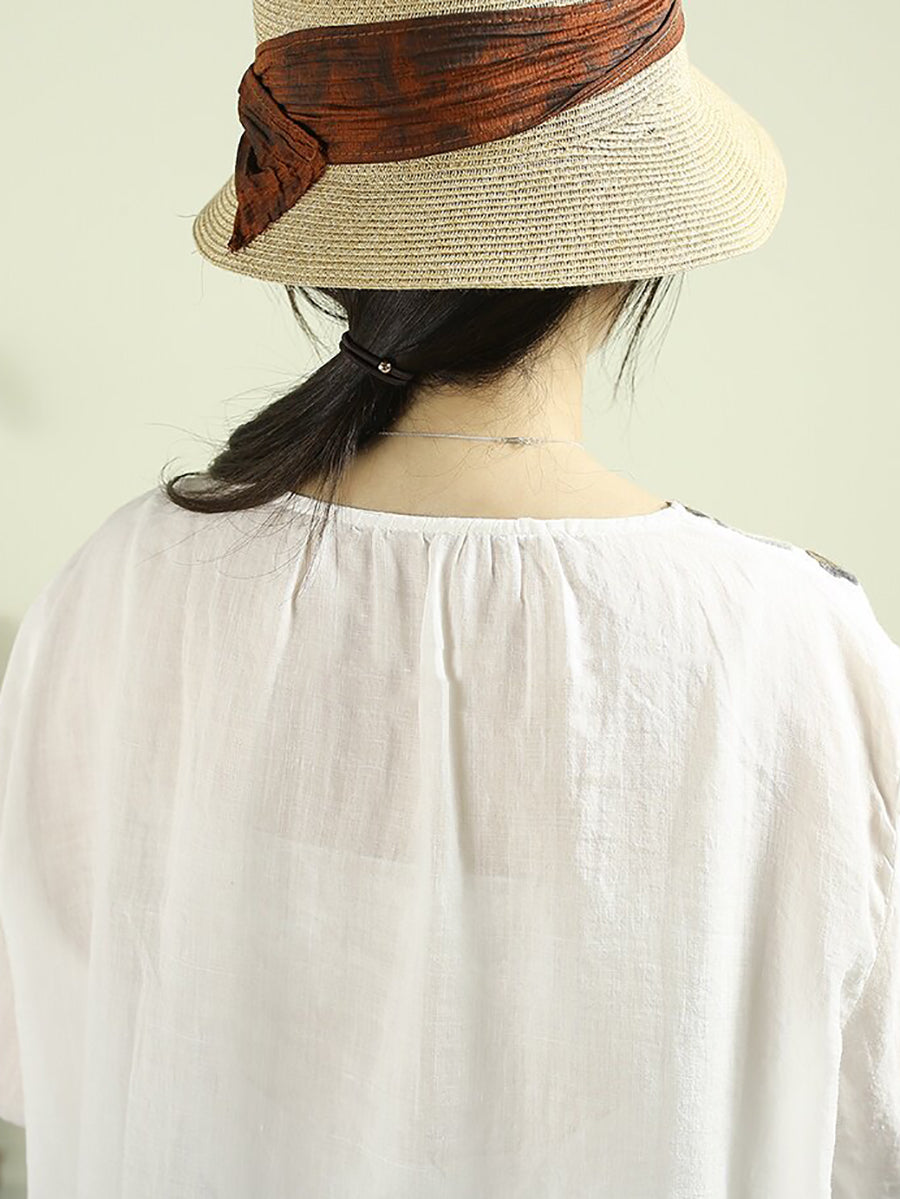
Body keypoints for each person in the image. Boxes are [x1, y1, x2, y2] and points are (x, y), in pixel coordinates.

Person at [0, 1, 898, 1197]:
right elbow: (867, 1125)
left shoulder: (118, 587)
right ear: (630, 254)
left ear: (339, 263)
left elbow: (48, 1054)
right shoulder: (792, 646)